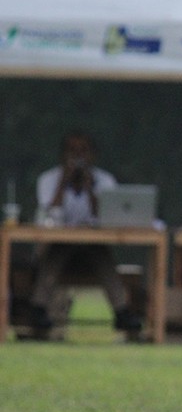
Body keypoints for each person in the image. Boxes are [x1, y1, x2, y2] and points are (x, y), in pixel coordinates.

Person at [28, 130, 142, 338]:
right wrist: (64, 182)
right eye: (72, 151)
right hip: (60, 248)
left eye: (83, 151)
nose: (78, 157)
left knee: (101, 253)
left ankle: (122, 311)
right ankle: (38, 309)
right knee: (56, 249)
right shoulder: (48, 179)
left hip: (92, 250)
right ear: (63, 154)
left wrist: (90, 188)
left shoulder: (104, 180)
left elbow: (108, 218)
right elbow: (47, 213)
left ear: (92, 155)